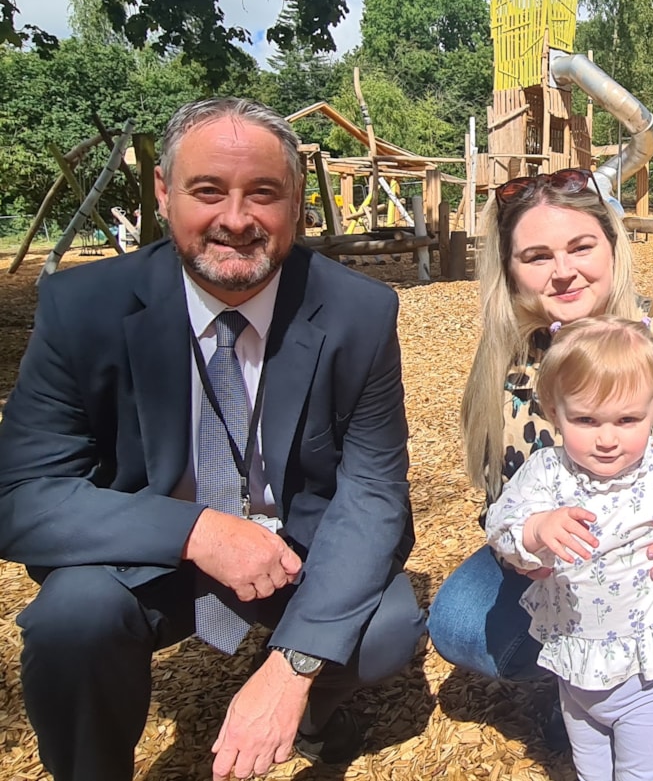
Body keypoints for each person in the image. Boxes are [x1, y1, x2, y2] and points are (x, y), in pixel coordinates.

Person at [0, 98, 427, 781]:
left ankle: (314, 716)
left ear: (296, 204)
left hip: (293, 554)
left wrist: (291, 668)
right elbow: (22, 496)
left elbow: (374, 491)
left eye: (264, 192)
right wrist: (197, 530)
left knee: (386, 626)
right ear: (164, 193)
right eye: (208, 191)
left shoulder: (358, 313)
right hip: (149, 553)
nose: (236, 219)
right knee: (70, 618)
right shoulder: (83, 309)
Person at [427, 167, 653, 781]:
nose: (562, 270)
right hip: (581, 570)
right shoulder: (514, 368)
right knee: (459, 624)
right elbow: (499, 502)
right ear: (510, 270)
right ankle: (591, 689)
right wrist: (527, 544)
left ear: (612, 247)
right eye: (536, 255)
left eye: (580, 246)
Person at [486, 315, 653, 781]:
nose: (608, 438)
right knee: (589, 766)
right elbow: (501, 525)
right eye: (586, 420)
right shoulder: (546, 473)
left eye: (628, 420)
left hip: (651, 667)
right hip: (574, 656)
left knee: (644, 774)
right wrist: (534, 531)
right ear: (555, 412)